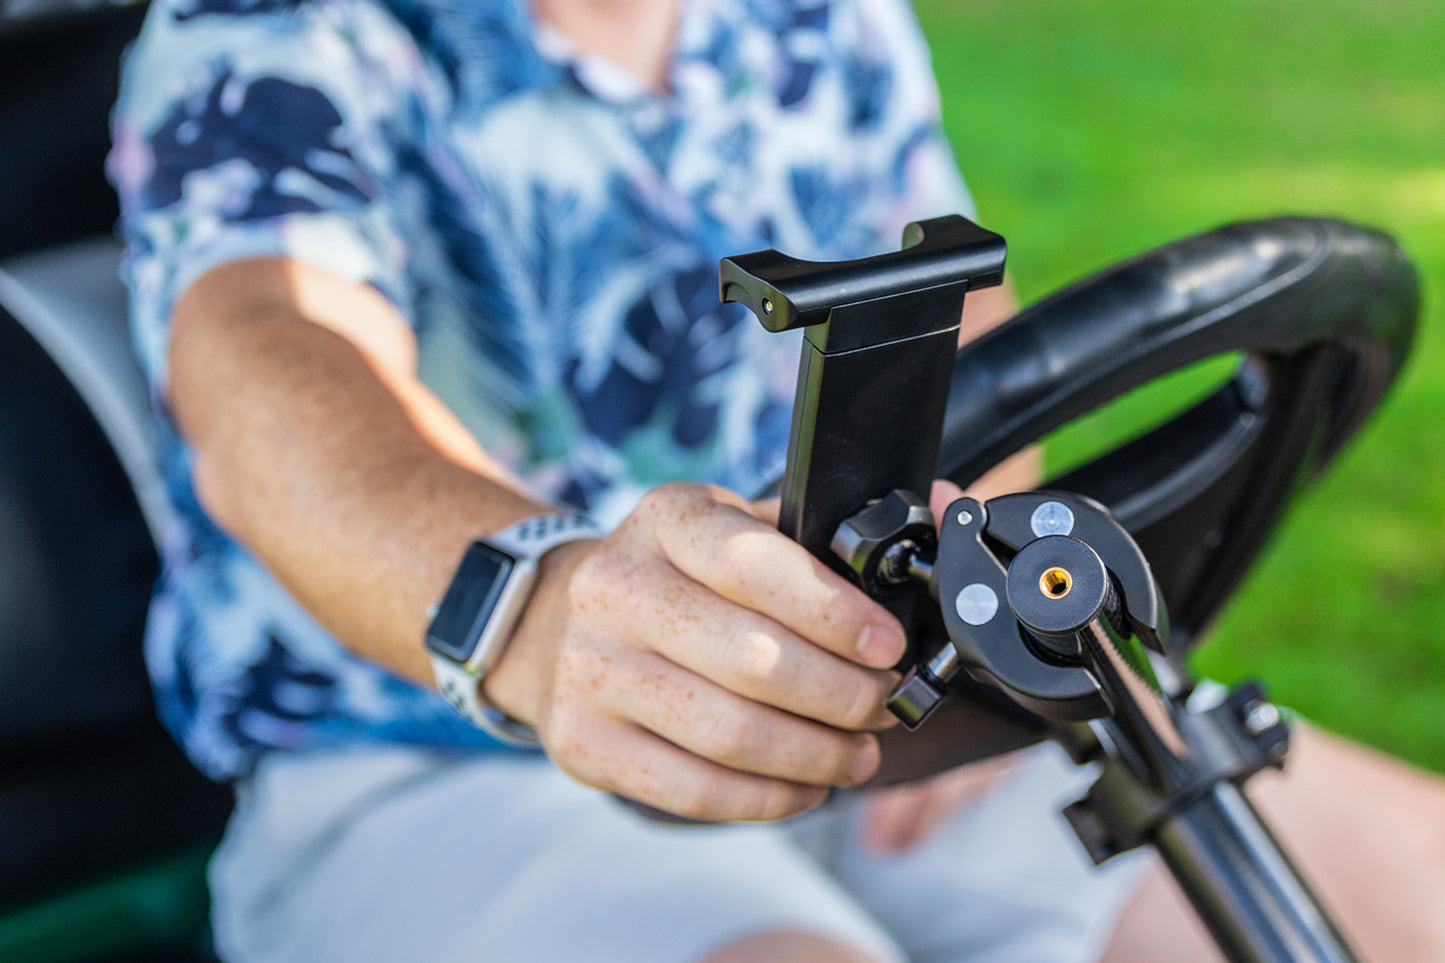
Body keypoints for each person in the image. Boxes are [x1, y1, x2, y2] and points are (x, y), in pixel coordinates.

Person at [109, 0, 1445, 960]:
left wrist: (966, 654)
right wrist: (539, 609)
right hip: (438, 765)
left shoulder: (817, 22)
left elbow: (971, 319)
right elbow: (269, 375)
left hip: (878, 701)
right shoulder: (265, 38)